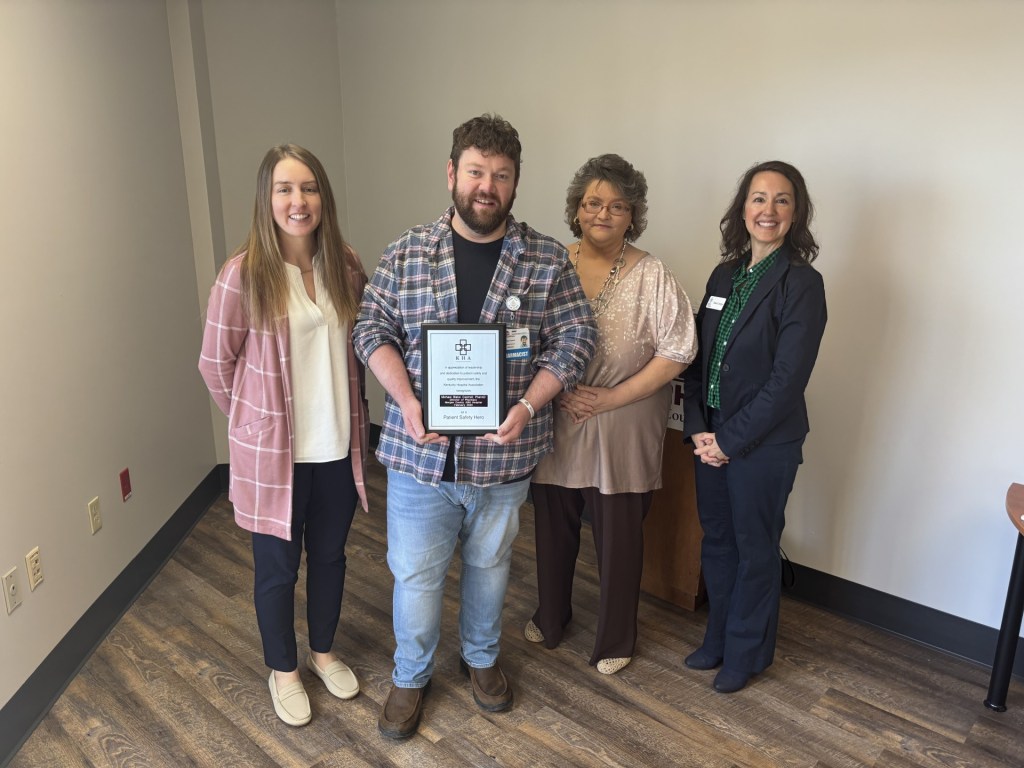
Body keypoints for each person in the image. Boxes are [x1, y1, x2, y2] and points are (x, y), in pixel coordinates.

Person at [352, 114, 596, 739]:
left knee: (490, 568)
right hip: (418, 456)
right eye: (476, 172)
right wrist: (405, 399)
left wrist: (530, 405)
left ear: (516, 184)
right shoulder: (407, 252)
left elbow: (575, 338)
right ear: (452, 173)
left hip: (502, 460)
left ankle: (482, 660)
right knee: (416, 574)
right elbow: (370, 328)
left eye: (502, 176)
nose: (487, 186)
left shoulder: (545, 261)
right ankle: (411, 674)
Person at [199, 144, 369, 726]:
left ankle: (322, 652)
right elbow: (214, 366)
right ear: (266, 199)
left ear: (323, 196)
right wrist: (251, 423)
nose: (298, 202)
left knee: (329, 558)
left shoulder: (345, 265)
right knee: (277, 570)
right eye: (284, 189)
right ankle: (285, 670)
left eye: (309, 188)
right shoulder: (242, 274)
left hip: (337, 448)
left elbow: (365, 344)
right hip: (275, 458)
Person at [526, 154, 697, 675]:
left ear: (632, 214)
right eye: (593, 203)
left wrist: (610, 397)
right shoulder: (551, 264)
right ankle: (551, 616)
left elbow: (678, 349)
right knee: (552, 526)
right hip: (558, 414)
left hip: (623, 419)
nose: (603, 214)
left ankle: (616, 635)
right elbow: (524, 337)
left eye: (616, 206)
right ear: (577, 209)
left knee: (620, 537)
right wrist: (556, 392)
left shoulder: (653, 274)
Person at [682, 160, 827, 693]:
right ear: (742, 208)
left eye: (781, 200)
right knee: (717, 541)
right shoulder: (723, 275)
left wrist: (729, 440)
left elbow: (787, 381)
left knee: (754, 546)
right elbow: (697, 358)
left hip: (763, 445)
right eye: (758, 198)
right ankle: (717, 637)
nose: (768, 210)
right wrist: (699, 427)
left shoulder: (802, 284)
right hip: (711, 437)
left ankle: (748, 653)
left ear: (796, 212)